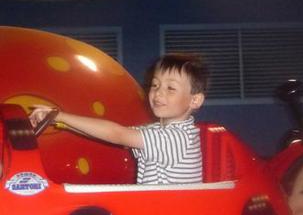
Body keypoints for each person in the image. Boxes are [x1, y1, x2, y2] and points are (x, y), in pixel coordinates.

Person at [30, 52, 208, 184]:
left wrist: (59, 114)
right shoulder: (158, 131)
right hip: (159, 211)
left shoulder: (176, 138)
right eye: (155, 85)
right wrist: (58, 122)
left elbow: (117, 134)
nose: (158, 92)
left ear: (195, 100)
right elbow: (114, 137)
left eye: (171, 88)